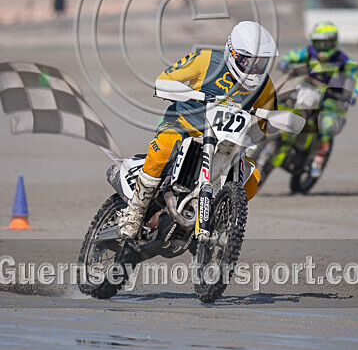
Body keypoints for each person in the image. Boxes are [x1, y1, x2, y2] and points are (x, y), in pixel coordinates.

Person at [118, 21, 278, 239]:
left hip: (226, 143)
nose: (254, 68)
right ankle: (134, 212)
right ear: (233, 52)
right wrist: (176, 89)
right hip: (184, 125)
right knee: (164, 147)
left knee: (253, 178)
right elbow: (166, 79)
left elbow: (267, 122)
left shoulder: (264, 86)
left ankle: (218, 220)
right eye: (248, 60)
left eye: (261, 63)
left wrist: (277, 122)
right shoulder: (206, 60)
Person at [277, 22, 358, 178]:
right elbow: (293, 55)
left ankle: (319, 158)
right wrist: (285, 61)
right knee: (282, 103)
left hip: (331, 98)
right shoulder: (309, 52)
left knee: (326, 126)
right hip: (308, 90)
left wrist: (353, 94)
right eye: (319, 43)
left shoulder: (342, 59)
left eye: (326, 43)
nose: (322, 47)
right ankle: (280, 140)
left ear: (333, 42)